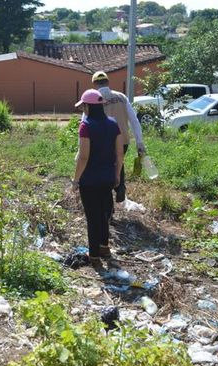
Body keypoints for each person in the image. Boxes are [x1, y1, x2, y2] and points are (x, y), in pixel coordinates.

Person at [72, 89, 124, 267]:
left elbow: (83, 157)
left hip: (89, 180)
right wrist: (117, 175)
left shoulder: (86, 126)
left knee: (92, 217)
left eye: (83, 106)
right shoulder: (113, 124)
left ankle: (94, 256)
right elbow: (119, 154)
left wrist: (76, 180)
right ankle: (104, 247)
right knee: (104, 214)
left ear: (88, 106)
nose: (83, 110)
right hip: (107, 177)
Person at [91, 71, 146, 203]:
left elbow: (85, 122)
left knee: (105, 167)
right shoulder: (121, 97)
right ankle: (120, 188)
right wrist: (140, 142)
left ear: (94, 84)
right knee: (118, 163)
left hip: (103, 141)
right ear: (108, 82)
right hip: (123, 140)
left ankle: (107, 196)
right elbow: (134, 121)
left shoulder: (94, 98)